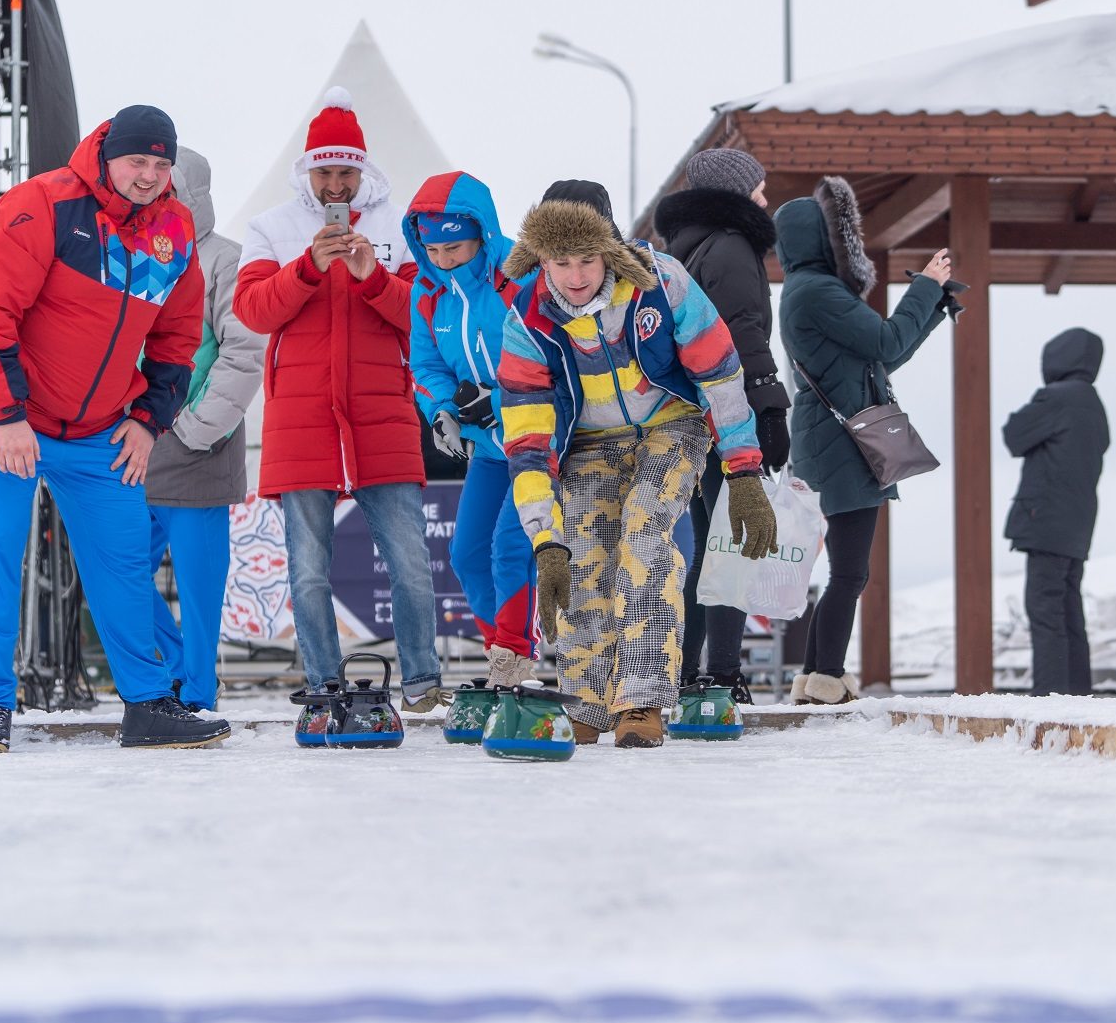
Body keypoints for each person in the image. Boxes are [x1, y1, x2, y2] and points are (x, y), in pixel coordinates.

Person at [0, 105, 231, 751]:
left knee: (123, 563)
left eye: (162, 165)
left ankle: (147, 704)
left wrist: (146, 420)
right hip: (3, 415)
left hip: (100, 427)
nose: (150, 176)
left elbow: (178, 335)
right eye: (139, 161)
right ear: (107, 154)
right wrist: (8, 417)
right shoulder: (43, 204)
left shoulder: (174, 228)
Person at [498, 181, 777, 748]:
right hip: (589, 444)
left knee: (645, 538)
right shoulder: (526, 320)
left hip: (670, 426)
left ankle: (643, 700)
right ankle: (588, 702)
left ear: (611, 251)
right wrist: (544, 537)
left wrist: (743, 472)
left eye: (588, 260)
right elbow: (527, 439)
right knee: (581, 555)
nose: (575, 277)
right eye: (560, 262)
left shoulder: (662, 284)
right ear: (541, 258)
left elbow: (720, 373)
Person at [232, 87, 444, 714]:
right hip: (303, 419)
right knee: (308, 570)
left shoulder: (399, 228)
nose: (335, 185)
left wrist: (370, 277)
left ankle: (423, 680)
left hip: (382, 415)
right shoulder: (271, 227)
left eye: (345, 170)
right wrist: (304, 269)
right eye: (324, 171)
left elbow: (423, 317)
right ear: (307, 170)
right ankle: (324, 682)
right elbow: (250, 311)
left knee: (408, 562)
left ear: (362, 170)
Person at [776, 176, 951, 705]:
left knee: (844, 571)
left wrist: (933, 308)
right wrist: (925, 285)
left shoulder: (802, 292)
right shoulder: (820, 292)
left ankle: (813, 677)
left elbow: (881, 356)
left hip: (827, 441)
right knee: (850, 572)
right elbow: (886, 339)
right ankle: (827, 676)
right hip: (844, 447)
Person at [655, 147, 789, 703]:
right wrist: (769, 405)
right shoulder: (732, 246)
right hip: (729, 410)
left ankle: (685, 669)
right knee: (735, 542)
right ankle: (723, 673)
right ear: (735, 194)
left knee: (708, 545)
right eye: (757, 187)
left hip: (688, 413)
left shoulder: (685, 248)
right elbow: (742, 331)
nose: (765, 197)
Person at [403, 172, 538, 687]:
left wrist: (497, 401)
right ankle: (501, 653)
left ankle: (516, 652)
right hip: (487, 449)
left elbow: (552, 361)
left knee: (511, 548)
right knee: (465, 554)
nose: (442, 259)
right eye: (431, 248)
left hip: (535, 442)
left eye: (454, 247)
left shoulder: (519, 280)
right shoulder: (427, 290)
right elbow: (426, 363)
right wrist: (443, 410)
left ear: (482, 233)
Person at [143, 147, 265, 712]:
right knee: (113, 569)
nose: (155, 194)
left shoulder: (224, 260)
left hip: (199, 444)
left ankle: (196, 692)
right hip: (132, 441)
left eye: (168, 187)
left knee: (198, 589)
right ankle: (173, 669)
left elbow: (243, 353)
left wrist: (195, 429)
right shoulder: (130, 254)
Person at [1003, 328, 1110, 695]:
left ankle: (1049, 698)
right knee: (1068, 610)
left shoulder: (1055, 398)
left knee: (1045, 610)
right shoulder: (1094, 404)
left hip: (1045, 520)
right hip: (1078, 523)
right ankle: (1076, 693)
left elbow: (1014, 435)